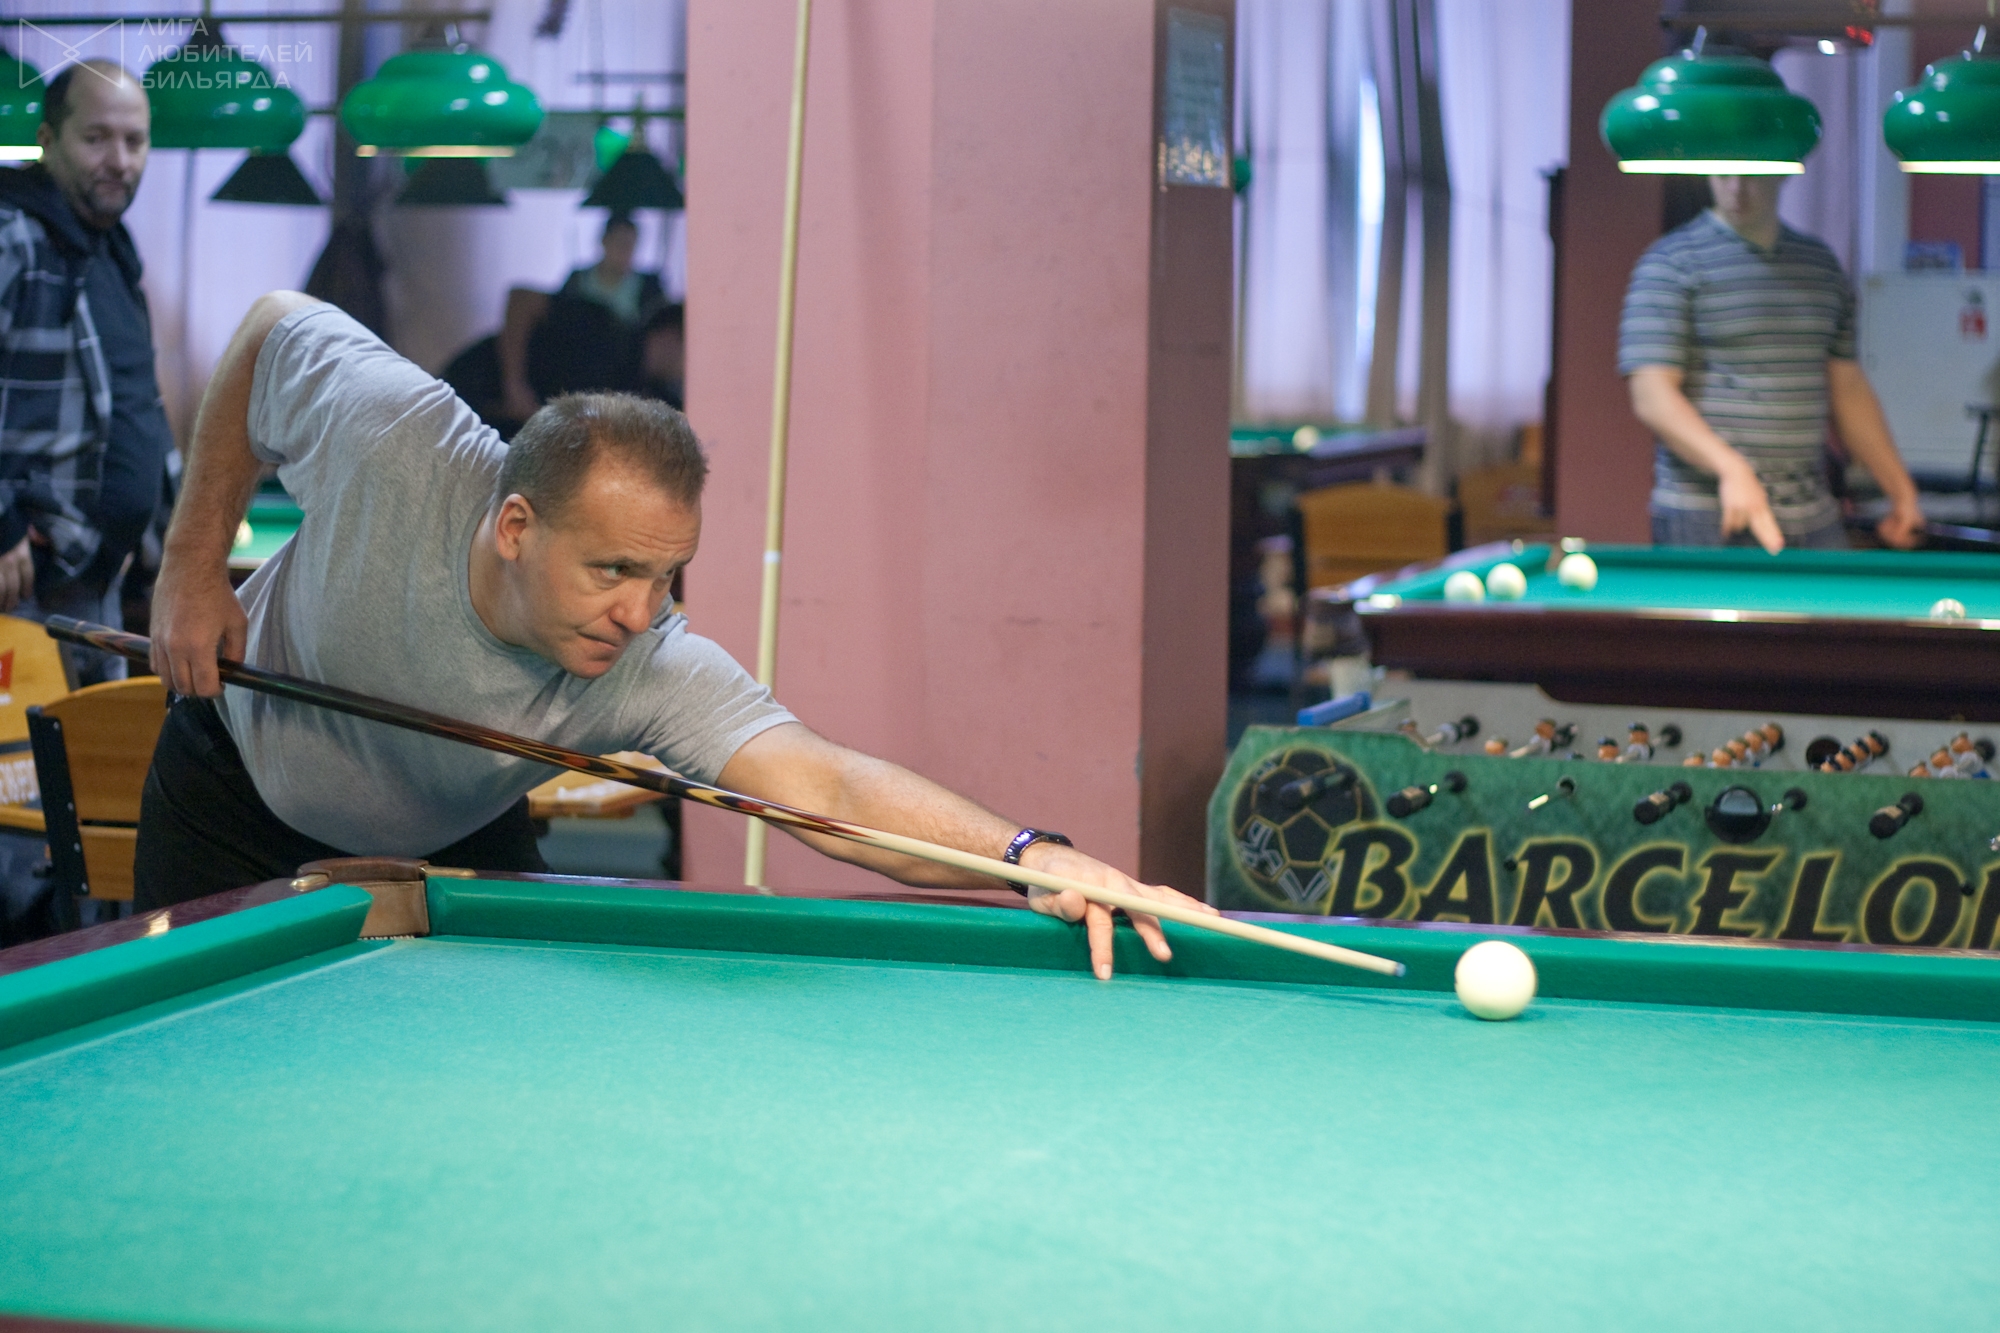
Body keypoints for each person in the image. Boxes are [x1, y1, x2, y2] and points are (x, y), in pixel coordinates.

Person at [140, 292, 1208, 978]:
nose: (640, 612)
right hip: (236, 793)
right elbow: (270, 327)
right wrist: (192, 565)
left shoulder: (642, 664)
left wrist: (1031, 856)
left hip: (453, 839)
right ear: (516, 528)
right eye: (612, 570)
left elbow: (829, 786)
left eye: (664, 575)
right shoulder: (396, 436)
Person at [1619, 174, 1925, 554]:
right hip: (1707, 514)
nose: (1736, 188)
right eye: (1724, 174)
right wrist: (1731, 468)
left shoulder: (1820, 265)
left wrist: (1901, 491)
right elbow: (1651, 395)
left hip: (1812, 514)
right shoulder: (1670, 262)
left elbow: (1848, 390)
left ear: (1783, 171)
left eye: (1751, 175)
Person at [0, 60, 172, 684]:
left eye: (134, 140)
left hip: (96, 578)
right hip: (20, 579)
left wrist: (163, 537)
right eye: (96, 138)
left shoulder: (112, 246)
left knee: (93, 747)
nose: (119, 161)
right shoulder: (13, 235)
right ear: (48, 140)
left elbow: (136, 400)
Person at [499, 213, 665, 424]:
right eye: (620, 243)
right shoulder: (578, 280)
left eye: (630, 245)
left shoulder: (649, 286)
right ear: (604, 242)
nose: (625, 252)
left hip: (619, 385)